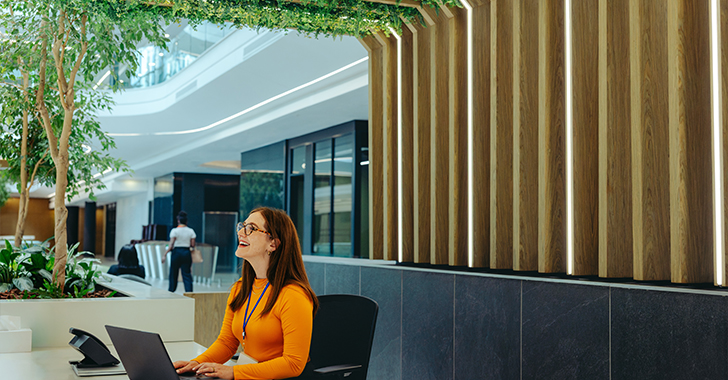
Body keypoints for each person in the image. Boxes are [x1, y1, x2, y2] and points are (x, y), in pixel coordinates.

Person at [173, 207, 318, 380]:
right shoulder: (240, 289)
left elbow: (294, 364)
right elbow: (227, 343)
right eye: (242, 226)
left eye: (251, 228)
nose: (241, 232)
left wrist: (234, 372)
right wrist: (196, 364)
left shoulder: (293, 295)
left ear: (273, 244)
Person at [162, 211, 196, 292]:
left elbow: (171, 245)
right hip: (186, 253)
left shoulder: (174, 231)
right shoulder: (191, 231)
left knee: (173, 273)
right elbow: (192, 244)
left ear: (178, 221)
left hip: (176, 253)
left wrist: (165, 254)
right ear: (186, 221)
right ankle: (189, 292)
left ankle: (171, 291)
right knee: (186, 274)